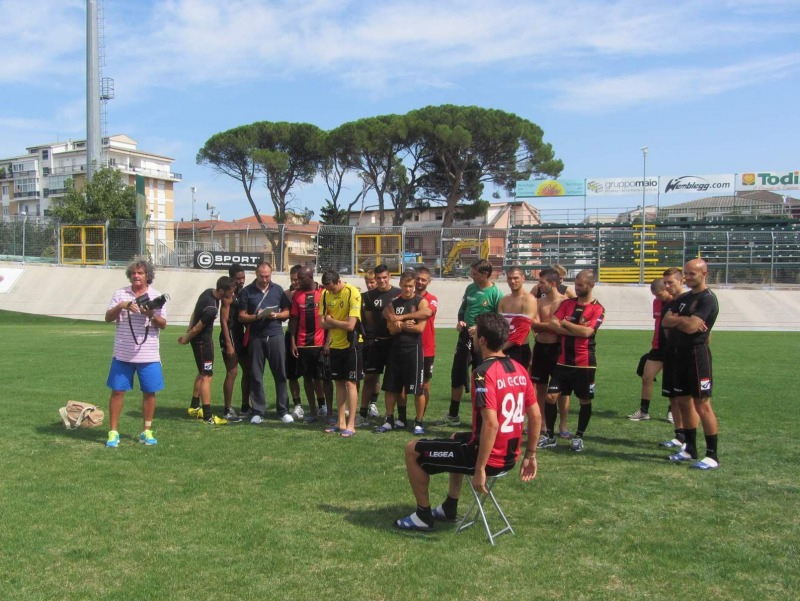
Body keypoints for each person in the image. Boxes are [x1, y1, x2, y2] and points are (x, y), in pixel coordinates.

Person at [394, 312, 541, 531]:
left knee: (411, 449)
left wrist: (480, 468)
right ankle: (449, 507)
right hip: (510, 456)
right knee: (456, 437)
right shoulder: (519, 368)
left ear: (482, 340)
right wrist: (530, 455)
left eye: (475, 332)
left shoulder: (483, 373)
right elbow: (536, 415)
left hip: (488, 458)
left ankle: (423, 515)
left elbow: (491, 424)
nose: (471, 335)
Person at [661, 259, 721, 470]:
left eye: (692, 274)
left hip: (697, 356)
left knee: (702, 405)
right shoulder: (684, 298)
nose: (687, 277)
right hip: (680, 355)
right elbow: (665, 321)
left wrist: (680, 320)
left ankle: (712, 455)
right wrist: (684, 321)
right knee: (684, 403)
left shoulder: (708, 299)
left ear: (704, 274)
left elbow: (692, 327)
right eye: (685, 273)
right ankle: (690, 449)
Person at [104, 259, 168, 448]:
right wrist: (122, 305)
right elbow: (107, 318)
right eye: (133, 273)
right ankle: (113, 432)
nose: (136, 276)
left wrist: (151, 315)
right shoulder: (120, 294)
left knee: (149, 392)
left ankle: (146, 430)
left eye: (140, 273)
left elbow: (163, 324)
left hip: (149, 355)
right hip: (123, 354)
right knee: (117, 392)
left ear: (148, 275)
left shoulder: (156, 296)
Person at [541, 270, 605, 452]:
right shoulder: (567, 303)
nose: (577, 288)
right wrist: (574, 329)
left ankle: (578, 437)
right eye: (576, 284)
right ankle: (550, 436)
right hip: (563, 362)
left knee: (584, 400)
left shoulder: (597, 308)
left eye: (581, 285)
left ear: (591, 285)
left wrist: (565, 324)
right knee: (550, 397)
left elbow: (587, 332)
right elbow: (553, 323)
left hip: (584, 363)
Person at [438, 259, 503, 426]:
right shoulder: (470, 288)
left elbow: (498, 321)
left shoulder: (496, 294)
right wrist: (460, 321)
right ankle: (453, 415)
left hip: (483, 342)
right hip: (465, 338)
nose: (471, 276)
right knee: (457, 374)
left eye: (474, 273)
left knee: (481, 377)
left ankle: (480, 418)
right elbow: (463, 309)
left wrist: (481, 328)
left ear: (485, 274)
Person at [375, 270, 430, 435]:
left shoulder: (420, 302)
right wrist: (403, 325)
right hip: (395, 349)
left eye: (411, 286)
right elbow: (391, 329)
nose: (408, 289)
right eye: (405, 286)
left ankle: (418, 422)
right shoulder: (394, 303)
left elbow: (419, 328)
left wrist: (400, 322)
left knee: (418, 389)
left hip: (413, 349)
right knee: (391, 387)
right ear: (400, 285)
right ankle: (390, 419)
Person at [238, 262, 293, 424]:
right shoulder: (247, 291)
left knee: (280, 373)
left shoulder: (278, 290)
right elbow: (242, 316)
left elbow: (287, 312)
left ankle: (283, 410)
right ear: (256, 274)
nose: (264, 279)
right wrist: (257, 316)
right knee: (256, 375)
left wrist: (275, 315)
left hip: (275, 335)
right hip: (256, 337)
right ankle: (258, 411)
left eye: (267, 276)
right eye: (262, 276)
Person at [179, 276, 236, 425]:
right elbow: (198, 328)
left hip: (199, 341)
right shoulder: (212, 308)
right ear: (221, 291)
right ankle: (208, 417)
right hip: (203, 343)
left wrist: (188, 331)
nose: (232, 295)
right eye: (230, 292)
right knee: (207, 375)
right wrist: (186, 338)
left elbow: (194, 313)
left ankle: (194, 406)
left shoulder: (208, 292)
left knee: (202, 372)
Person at [319, 270, 364, 437]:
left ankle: (351, 424)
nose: (330, 291)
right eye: (327, 289)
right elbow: (322, 323)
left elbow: (351, 325)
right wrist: (338, 323)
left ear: (339, 281)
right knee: (338, 383)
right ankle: (340, 422)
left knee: (351, 383)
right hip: (335, 344)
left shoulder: (353, 292)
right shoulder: (324, 294)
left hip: (352, 345)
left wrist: (332, 321)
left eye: (332, 288)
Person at [358, 264, 401, 427]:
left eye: (384, 277)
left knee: (393, 381)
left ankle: (394, 416)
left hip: (394, 343)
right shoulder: (369, 296)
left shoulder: (398, 293)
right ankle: (363, 414)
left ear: (390, 277)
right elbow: (370, 320)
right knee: (370, 378)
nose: (382, 280)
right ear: (375, 279)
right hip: (376, 343)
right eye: (378, 278)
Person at [658, 268, 696, 449]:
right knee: (673, 397)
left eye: (670, 282)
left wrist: (676, 322)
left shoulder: (690, 302)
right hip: (670, 352)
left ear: (681, 281)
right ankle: (679, 435)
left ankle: (690, 440)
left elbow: (696, 328)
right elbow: (666, 326)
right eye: (665, 283)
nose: (667, 286)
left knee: (687, 400)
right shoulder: (669, 304)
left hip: (688, 354)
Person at [529, 268, 569, 439]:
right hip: (540, 348)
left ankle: (563, 425)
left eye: (542, 282)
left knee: (562, 391)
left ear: (552, 283)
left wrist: (547, 326)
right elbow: (534, 324)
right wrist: (551, 326)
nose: (539, 285)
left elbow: (562, 327)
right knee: (540, 388)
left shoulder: (565, 302)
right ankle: (542, 424)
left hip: (559, 349)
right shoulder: (539, 302)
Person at [627, 277, 673, 421]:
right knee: (647, 377)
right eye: (655, 295)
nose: (658, 297)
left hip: (673, 348)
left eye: (659, 294)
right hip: (657, 347)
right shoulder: (656, 303)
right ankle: (644, 411)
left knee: (672, 381)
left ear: (666, 289)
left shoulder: (677, 302)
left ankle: (672, 411)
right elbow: (658, 323)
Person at [288, 266, 330, 423]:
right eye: (297, 278)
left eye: (301, 278)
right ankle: (312, 411)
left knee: (324, 378)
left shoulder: (323, 292)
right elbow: (294, 320)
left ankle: (327, 410)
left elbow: (330, 319)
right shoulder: (297, 295)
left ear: (310, 277)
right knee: (307, 378)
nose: (298, 281)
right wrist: (292, 342)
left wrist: (328, 342)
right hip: (303, 344)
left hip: (320, 344)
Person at [218, 263, 248, 421]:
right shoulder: (228, 295)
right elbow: (223, 321)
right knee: (232, 371)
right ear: (232, 278)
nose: (242, 280)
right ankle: (228, 409)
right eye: (238, 278)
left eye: (243, 277)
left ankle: (245, 406)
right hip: (229, 334)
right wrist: (229, 344)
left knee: (248, 370)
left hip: (240, 334)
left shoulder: (243, 292)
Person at [498, 266, 537, 368]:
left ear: (523, 278)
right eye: (509, 278)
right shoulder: (504, 300)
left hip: (519, 349)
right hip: (502, 347)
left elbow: (523, 330)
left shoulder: (529, 299)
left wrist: (501, 348)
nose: (512, 281)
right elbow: (498, 326)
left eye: (516, 278)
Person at [284, 264, 305, 420]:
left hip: (310, 337)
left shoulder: (313, 292)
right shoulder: (286, 294)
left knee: (314, 375)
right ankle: (297, 405)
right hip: (292, 336)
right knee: (292, 374)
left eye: (297, 279)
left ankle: (321, 405)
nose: (295, 282)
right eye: (292, 279)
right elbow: (285, 315)